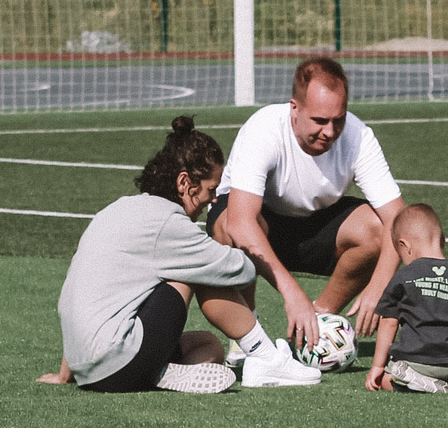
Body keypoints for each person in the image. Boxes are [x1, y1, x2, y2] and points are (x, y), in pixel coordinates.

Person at [44, 117, 321, 393]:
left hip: (87, 368)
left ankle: (153, 372)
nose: (213, 200)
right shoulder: (167, 223)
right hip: (119, 358)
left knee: (208, 346)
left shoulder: (116, 210)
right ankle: (267, 358)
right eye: (211, 190)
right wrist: (244, 245)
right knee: (202, 271)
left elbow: (81, 292)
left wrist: (66, 372)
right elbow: (242, 271)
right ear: (184, 182)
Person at [213, 56, 406, 360]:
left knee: (379, 229)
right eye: (319, 121)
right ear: (294, 109)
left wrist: (379, 285)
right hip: (260, 227)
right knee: (229, 226)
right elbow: (240, 222)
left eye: (338, 120)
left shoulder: (358, 136)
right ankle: (246, 333)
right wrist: (293, 295)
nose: (330, 132)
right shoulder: (264, 128)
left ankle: (318, 322)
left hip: (315, 226)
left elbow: (399, 220)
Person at [365, 203, 448, 394]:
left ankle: (417, 381)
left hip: (416, 360)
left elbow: (388, 323)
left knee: (386, 380)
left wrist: (377, 367)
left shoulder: (405, 276)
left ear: (405, 246)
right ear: (442, 240)